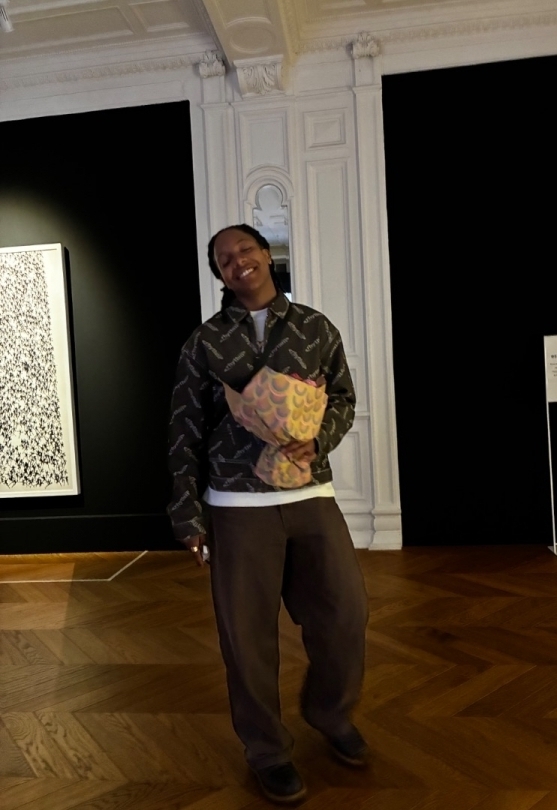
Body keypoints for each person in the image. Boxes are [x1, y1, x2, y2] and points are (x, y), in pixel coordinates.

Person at [167, 224, 368, 804]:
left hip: (310, 496)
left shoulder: (314, 327)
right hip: (235, 507)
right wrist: (187, 513)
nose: (238, 262)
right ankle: (267, 751)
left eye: (245, 250)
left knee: (345, 616)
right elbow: (183, 429)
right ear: (220, 273)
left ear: (266, 254)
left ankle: (329, 713)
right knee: (246, 639)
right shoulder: (204, 342)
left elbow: (344, 398)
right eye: (224, 259)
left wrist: (319, 438)